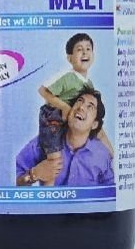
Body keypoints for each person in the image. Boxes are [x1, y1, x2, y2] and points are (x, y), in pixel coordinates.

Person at [37, 33, 113, 185]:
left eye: (88, 49)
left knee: (98, 131)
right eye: (79, 49)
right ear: (69, 58)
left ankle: (113, 155)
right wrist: (65, 107)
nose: (84, 53)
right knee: (55, 161)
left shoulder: (89, 84)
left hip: (72, 121)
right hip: (53, 119)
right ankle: (48, 192)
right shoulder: (67, 77)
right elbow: (43, 91)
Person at [16, 86, 114, 187]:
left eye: (90, 106)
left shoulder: (102, 154)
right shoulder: (43, 143)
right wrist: (34, 174)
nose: (81, 107)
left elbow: (111, 190)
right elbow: (15, 179)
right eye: (79, 101)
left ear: (94, 124)